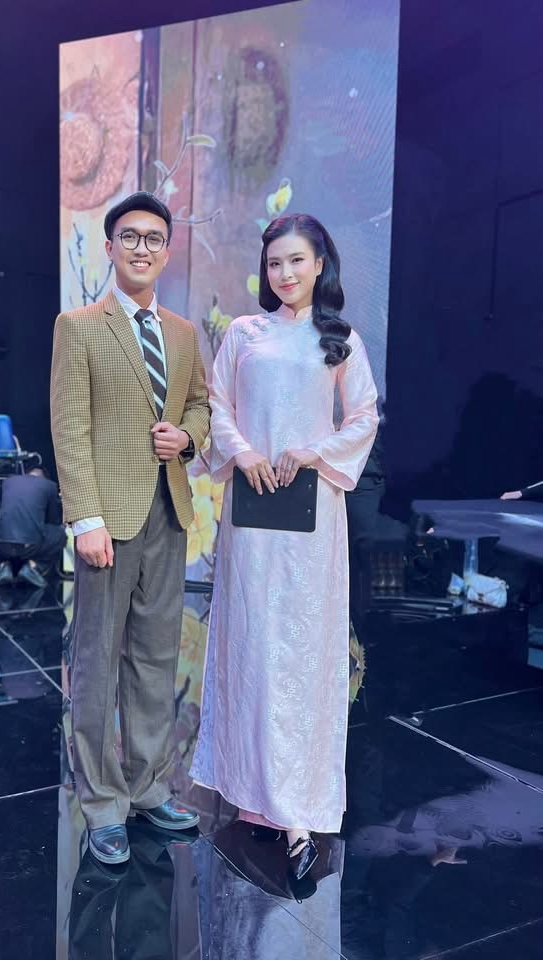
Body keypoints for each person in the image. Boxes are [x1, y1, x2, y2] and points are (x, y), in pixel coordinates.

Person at [189, 213, 379, 880]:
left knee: (302, 654)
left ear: (320, 264)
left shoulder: (340, 340)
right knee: (250, 646)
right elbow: (217, 407)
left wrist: (313, 451)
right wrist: (242, 453)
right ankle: (251, 790)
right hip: (251, 517)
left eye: (296, 260)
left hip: (312, 518)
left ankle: (297, 808)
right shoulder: (243, 334)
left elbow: (364, 416)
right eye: (274, 263)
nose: (285, 273)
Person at [50, 191, 211, 865]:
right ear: (111, 247)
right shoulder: (79, 326)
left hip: (168, 513)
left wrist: (188, 437)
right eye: (130, 236)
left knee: (153, 660)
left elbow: (200, 405)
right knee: (95, 666)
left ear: (167, 252)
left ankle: (147, 790)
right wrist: (85, 518)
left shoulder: (182, 332)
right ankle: (102, 803)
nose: (142, 247)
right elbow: (69, 427)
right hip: (107, 524)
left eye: (153, 238)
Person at [0, 468, 66, 587]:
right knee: (60, 535)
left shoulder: (8, 481)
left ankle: (3, 565)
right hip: (30, 546)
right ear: (44, 478)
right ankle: (33, 567)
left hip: (0, 545)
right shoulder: (49, 485)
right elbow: (53, 521)